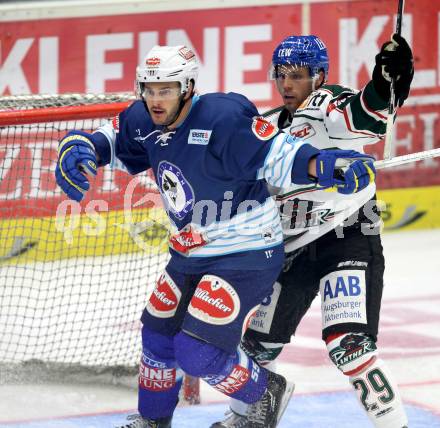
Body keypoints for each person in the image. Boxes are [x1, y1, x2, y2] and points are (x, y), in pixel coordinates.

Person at [55, 44, 376, 428]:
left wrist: (327, 164)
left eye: (167, 90)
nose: (156, 100)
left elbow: (279, 154)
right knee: (157, 335)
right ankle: (153, 420)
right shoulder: (143, 117)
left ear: (188, 86)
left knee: (197, 353)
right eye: (150, 90)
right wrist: (81, 146)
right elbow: (112, 139)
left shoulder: (223, 118)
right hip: (190, 249)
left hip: (246, 252)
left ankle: (266, 391)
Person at [211, 34, 414, 428]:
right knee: (254, 349)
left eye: (298, 75)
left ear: (319, 76)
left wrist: (385, 82)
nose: (287, 84)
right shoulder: (267, 126)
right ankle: (246, 418)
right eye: (281, 75)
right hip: (290, 248)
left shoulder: (326, 105)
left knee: (350, 347)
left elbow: (365, 112)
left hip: (347, 236)